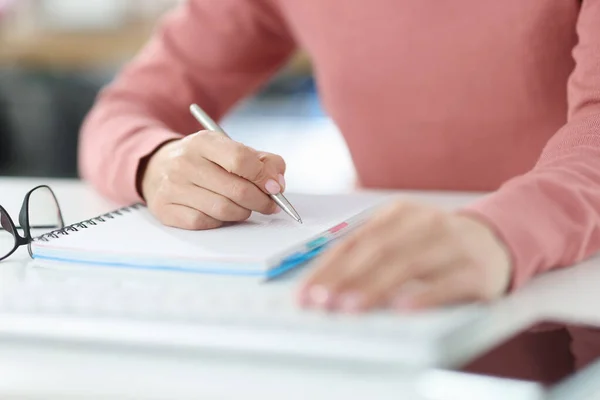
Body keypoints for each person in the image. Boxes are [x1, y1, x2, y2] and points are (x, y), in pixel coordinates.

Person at [79, 0, 600, 382]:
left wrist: (500, 231)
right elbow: (123, 111)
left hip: (568, 283)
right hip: (387, 307)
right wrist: (155, 162)